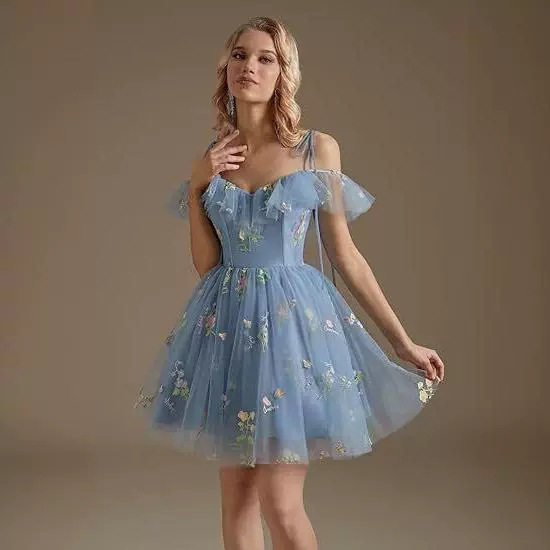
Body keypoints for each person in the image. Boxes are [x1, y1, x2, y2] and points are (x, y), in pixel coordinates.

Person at [135, 16, 445, 550]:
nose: (249, 67)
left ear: (284, 72)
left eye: (266, 58)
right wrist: (198, 185)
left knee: (280, 502)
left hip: (290, 334)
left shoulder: (315, 149)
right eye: (239, 55)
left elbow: (345, 254)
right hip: (227, 332)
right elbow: (208, 266)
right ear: (225, 67)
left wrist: (401, 341)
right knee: (237, 501)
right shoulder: (215, 155)